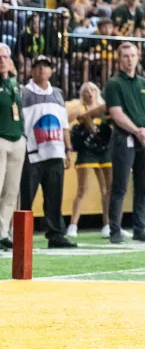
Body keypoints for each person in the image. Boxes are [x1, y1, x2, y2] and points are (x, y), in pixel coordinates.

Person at [19, 56, 76, 248]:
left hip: (55, 151)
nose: (42, 70)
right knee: (26, 197)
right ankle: (18, 234)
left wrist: (68, 148)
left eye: (46, 67)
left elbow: (64, 124)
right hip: (31, 152)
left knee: (54, 196)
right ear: (31, 71)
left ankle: (56, 234)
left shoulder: (58, 94)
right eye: (38, 66)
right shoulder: (23, 93)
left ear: (51, 71)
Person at [105, 41, 145, 243]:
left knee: (143, 186)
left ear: (138, 57)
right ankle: (115, 231)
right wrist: (138, 131)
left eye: (132, 55)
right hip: (123, 138)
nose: (129, 59)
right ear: (119, 59)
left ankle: (139, 229)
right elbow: (116, 114)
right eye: (125, 56)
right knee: (120, 186)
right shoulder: (114, 83)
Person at [67, 83, 115, 239]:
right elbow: (68, 122)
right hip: (87, 149)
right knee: (82, 189)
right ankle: (73, 225)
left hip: (103, 149)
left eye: (92, 90)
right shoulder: (78, 108)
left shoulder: (104, 107)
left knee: (107, 189)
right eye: (86, 91)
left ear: (97, 92)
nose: (89, 93)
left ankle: (108, 225)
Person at [0, 44, 25, 251]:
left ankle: (2, 232)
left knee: (11, 190)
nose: (2, 60)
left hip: (17, 139)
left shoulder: (14, 84)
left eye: (5, 56)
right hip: (0, 139)